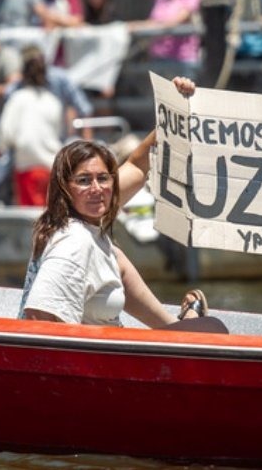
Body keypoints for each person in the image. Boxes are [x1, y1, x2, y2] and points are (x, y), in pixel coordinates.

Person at [18, 76, 222, 330]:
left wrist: (177, 110)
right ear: (65, 189)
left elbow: (137, 164)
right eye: (83, 180)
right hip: (89, 362)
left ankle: (174, 328)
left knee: (113, 255)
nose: (96, 188)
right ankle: (177, 330)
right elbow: (39, 323)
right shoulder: (74, 241)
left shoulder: (90, 210)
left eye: (103, 178)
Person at [0, 46, 68, 207]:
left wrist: (1, 147)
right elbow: (59, 131)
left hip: (27, 167)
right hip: (52, 167)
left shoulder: (17, 99)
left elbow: (6, 132)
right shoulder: (53, 101)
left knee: (33, 220)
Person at [130, 0, 203, 74]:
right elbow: (152, 21)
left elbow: (175, 22)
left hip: (182, 61)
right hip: (158, 58)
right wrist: (134, 26)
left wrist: (152, 27)